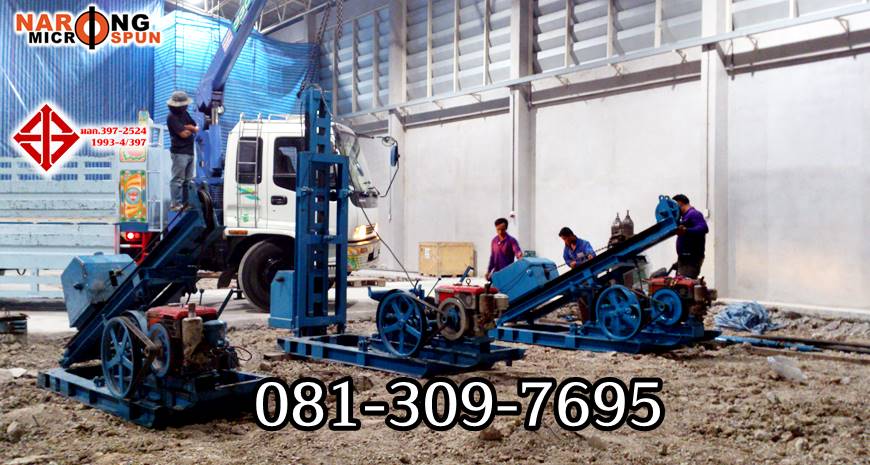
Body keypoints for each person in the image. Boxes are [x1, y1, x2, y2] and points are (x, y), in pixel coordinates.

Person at [166, 91, 199, 211]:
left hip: (189, 151)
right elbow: (184, 134)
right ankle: (175, 204)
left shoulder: (185, 114)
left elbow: (195, 126)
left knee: (187, 181)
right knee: (178, 179)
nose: (186, 106)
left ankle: (185, 204)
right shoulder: (171, 117)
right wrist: (191, 128)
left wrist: (190, 127)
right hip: (179, 152)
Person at [673, 194, 708, 278]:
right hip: (685, 259)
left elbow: (704, 228)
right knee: (681, 284)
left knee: (684, 284)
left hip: (691, 259)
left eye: (674, 207)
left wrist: (686, 230)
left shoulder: (694, 214)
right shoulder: (686, 216)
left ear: (679, 204)